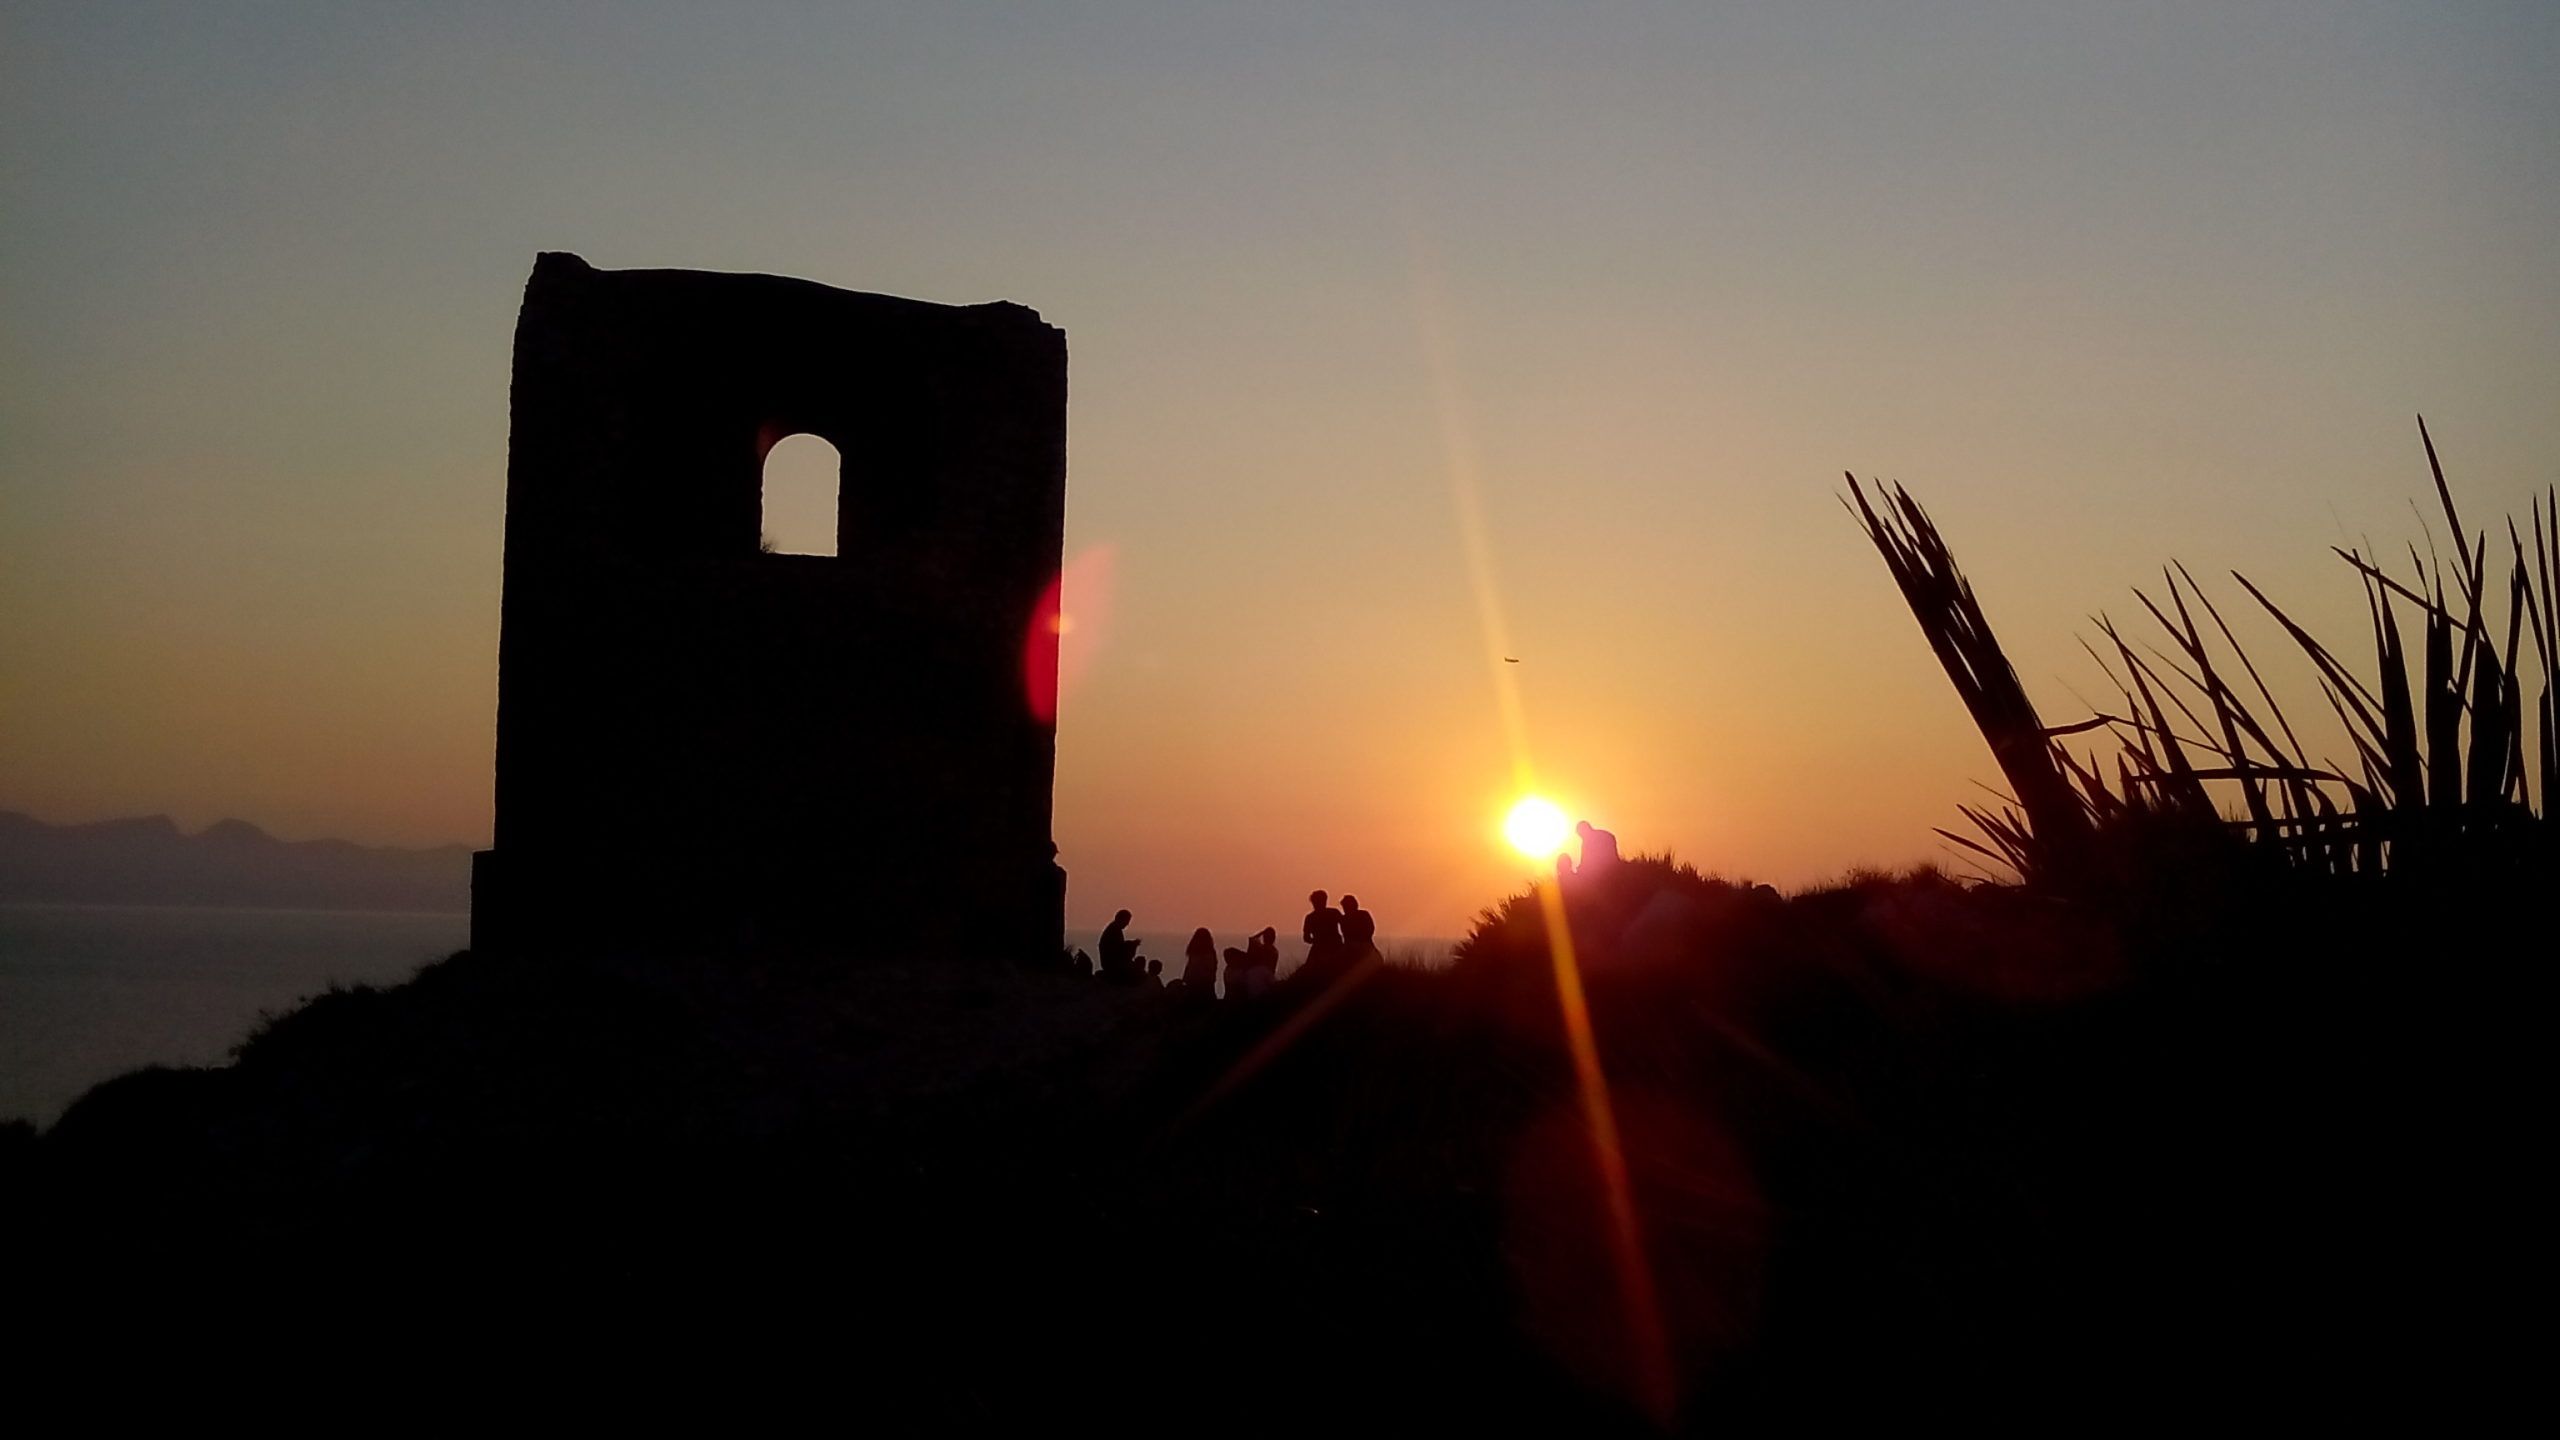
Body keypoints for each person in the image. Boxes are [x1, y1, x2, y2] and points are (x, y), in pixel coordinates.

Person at [1300, 890, 1344, 983]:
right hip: (1334, 946)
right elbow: (1346, 926)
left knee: (1307, 973)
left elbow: (1306, 938)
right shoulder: (1334, 912)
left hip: (1321, 948)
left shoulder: (1310, 917)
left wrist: (1316, 940)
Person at [1339, 894, 1380, 969]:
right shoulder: (1344, 918)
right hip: (1354, 946)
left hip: (1363, 945)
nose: (1344, 909)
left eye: (1345, 906)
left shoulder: (1363, 914)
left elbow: (1370, 929)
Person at [1099, 909, 1140, 982]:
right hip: (1112, 964)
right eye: (1127, 921)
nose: (1127, 924)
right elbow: (1118, 950)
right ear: (1121, 919)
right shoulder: (1114, 930)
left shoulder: (1114, 929)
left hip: (1112, 962)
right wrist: (1132, 944)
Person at [1180, 927, 1218, 1000]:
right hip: (1205, 983)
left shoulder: (1193, 952)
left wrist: (1185, 979)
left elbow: (1189, 966)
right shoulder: (1209, 952)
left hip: (1192, 982)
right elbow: (1211, 967)